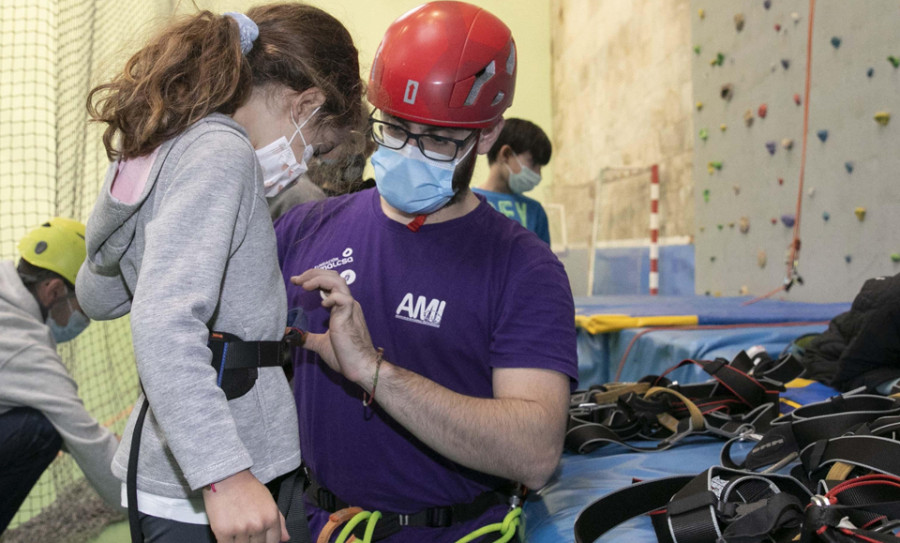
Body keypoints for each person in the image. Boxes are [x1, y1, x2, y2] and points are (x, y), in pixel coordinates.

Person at [274, 2, 577, 541]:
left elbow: (534, 453)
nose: (409, 152)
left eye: (438, 138)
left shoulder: (523, 268)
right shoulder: (304, 229)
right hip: (318, 524)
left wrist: (373, 372)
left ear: (486, 136)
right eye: (394, 128)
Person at [75, 4, 364, 542]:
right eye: (315, 145)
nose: (303, 162)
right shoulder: (222, 152)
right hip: (215, 477)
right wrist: (225, 477)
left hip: (189, 462)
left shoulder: (174, 144)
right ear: (306, 103)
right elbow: (163, 324)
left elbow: (98, 294)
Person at [0, 218, 121, 534]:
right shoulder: (25, 349)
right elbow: (108, 473)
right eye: (82, 307)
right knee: (40, 430)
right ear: (53, 290)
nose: (84, 319)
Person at [474, 118, 553, 244]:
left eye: (540, 167)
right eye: (533, 163)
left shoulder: (535, 211)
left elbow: (545, 261)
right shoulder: (469, 202)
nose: (538, 174)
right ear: (506, 154)